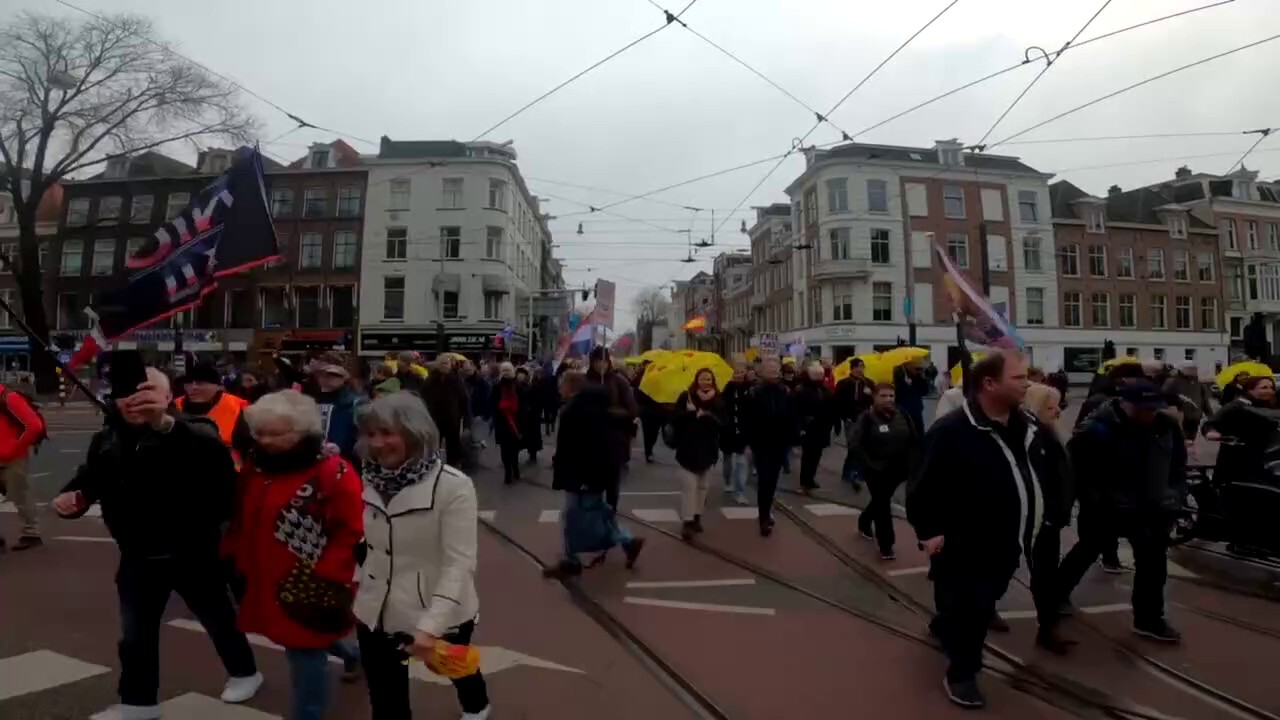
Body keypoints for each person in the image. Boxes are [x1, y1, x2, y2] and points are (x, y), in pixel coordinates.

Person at [53, 362, 261, 720]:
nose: (135, 400)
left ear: (168, 397)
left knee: (218, 619)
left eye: (147, 391)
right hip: (137, 555)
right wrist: (72, 499)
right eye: (127, 393)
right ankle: (138, 702)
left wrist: (162, 424)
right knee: (135, 633)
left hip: (194, 552)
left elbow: (215, 464)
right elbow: (88, 481)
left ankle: (245, 672)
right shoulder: (107, 439)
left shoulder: (194, 430)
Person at [907, 351, 1047, 709]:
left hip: (1013, 539)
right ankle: (962, 673)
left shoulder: (1028, 425)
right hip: (966, 541)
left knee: (979, 601)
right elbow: (922, 485)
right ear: (989, 383)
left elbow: (1050, 469)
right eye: (1018, 377)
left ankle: (945, 623)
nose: (1027, 383)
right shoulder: (952, 430)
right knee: (975, 607)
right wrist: (930, 530)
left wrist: (1053, 509)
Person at [349, 393, 492, 720]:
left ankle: (476, 707)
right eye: (371, 434)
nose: (378, 443)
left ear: (415, 433)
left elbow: (459, 563)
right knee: (386, 702)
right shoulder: (369, 476)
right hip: (375, 611)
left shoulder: (452, 486)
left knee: (458, 670)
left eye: (387, 433)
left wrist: (429, 627)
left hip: (437, 609)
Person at [223, 391, 363, 720]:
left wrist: (328, 572)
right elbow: (245, 515)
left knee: (304, 650)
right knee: (301, 640)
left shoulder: (334, 471)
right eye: (261, 433)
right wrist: (234, 551)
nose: (266, 441)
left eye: (277, 433)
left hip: (312, 580)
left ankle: (308, 714)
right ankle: (353, 654)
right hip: (265, 574)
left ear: (303, 432)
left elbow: (352, 530)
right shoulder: (256, 468)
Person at [1060, 379, 1187, 643]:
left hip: (1152, 507)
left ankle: (1149, 619)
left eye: (1154, 408)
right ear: (1125, 403)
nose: (1150, 414)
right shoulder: (1097, 428)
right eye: (1144, 408)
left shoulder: (1166, 427)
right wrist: (1097, 501)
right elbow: (1078, 472)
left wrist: (1173, 497)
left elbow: (1177, 466)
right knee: (1088, 549)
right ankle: (1056, 594)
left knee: (1153, 563)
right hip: (1108, 507)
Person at [546, 370, 645, 577]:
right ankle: (626, 542)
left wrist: (569, 471)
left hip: (582, 474)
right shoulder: (596, 408)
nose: (559, 389)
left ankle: (571, 560)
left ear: (569, 387)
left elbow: (576, 447)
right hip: (592, 473)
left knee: (573, 515)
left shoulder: (576, 410)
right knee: (597, 510)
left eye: (561, 385)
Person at [1022, 383, 1077, 654]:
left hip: (1051, 518)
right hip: (1036, 517)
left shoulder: (1052, 432)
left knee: (1046, 573)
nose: (1056, 412)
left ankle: (1048, 626)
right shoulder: (1031, 436)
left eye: (1058, 406)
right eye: (1050, 406)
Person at [849, 383, 916, 560]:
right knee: (882, 504)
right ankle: (886, 545)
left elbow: (913, 439)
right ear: (875, 397)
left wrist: (914, 462)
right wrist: (869, 463)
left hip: (899, 469)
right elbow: (855, 444)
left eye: (891, 396)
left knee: (882, 499)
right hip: (875, 470)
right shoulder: (867, 417)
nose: (888, 399)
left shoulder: (903, 414)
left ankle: (864, 520)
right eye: (884, 396)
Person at [745, 357, 798, 537]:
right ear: (761, 371)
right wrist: (747, 442)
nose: (773, 371)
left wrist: (793, 439)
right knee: (764, 479)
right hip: (760, 444)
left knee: (773, 480)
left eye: (776, 369)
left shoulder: (786, 392)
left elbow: (792, 417)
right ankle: (763, 518)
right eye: (769, 368)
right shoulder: (753, 393)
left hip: (780, 443)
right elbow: (747, 421)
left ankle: (767, 511)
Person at [672, 368, 724, 540]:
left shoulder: (717, 399)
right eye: (703, 379)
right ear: (696, 380)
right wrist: (691, 413)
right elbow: (674, 419)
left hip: (708, 450)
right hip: (687, 448)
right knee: (689, 487)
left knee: (702, 488)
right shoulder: (685, 396)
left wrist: (707, 415)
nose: (706, 382)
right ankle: (687, 522)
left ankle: (696, 517)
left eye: (709, 379)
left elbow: (723, 423)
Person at [585, 346, 638, 508]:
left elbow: (632, 409)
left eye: (604, 361)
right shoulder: (584, 381)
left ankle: (610, 515)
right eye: (597, 361)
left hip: (613, 440)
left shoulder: (617, 382)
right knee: (592, 485)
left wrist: (611, 413)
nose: (601, 365)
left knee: (612, 485)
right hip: (589, 442)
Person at [0, 382, 47, 551]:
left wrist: (15, 447)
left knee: (20, 495)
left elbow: (34, 425)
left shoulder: (9, 397)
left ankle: (31, 533)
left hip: (12, 458)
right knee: (20, 494)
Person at [304, 352, 362, 465]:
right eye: (322, 373)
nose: (327, 378)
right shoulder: (310, 401)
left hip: (346, 465)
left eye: (334, 374)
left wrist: (343, 448)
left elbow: (364, 440)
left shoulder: (356, 403)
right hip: (316, 464)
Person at [176, 362, 249, 449]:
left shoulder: (238, 406)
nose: (193, 387)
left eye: (200, 383)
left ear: (217, 386)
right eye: (189, 383)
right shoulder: (174, 406)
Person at [423, 356, 471, 468]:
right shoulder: (430, 380)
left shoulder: (456, 380)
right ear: (437, 365)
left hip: (452, 419)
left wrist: (467, 420)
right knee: (434, 446)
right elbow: (423, 398)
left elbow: (464, 399)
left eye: (446, 363)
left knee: (453, 447)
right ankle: (433, 466)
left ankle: (452, 467)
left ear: (450, 365)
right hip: (435, 418)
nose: (444, 366)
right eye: (442, 363)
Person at [834, 358, 874, 488]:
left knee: (863, 445)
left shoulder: (868, 383)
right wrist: (841, 418)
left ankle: (856, 472)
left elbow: (875, 399)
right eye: (858, 366)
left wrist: (870, 394)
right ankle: (849, 471)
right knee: (853, 446)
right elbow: (838, 401)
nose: (860, 369)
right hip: (850, 418)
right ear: (852, 368)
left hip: (865, 417)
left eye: (862, 366)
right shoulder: (844, 383)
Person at [794, 363, 834, 493]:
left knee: (816, 455)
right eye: (816, 374)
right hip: (808, 429)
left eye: (821, 374)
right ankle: (804, 482)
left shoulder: (825, 390)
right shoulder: (802, 390)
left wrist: (833, 423)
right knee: (807, 456)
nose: (819, 377)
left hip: (822, 429)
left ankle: (810, 479)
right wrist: (800, 426)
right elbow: (796, 410)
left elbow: (831, 406)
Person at [719, 362, 752, 505]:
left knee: (741, 461)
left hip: (744, 430)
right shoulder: (726, 389)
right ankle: (727, 481)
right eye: (736, 372)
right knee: (727, 459)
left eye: (741, 372)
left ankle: (740, 492)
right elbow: (720, 407)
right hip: (728, 429)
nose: (739, 375)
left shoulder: (750, 389)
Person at [490, 362, 523, 484]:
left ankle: (508, 471)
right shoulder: (518, 386)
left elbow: (492, 404)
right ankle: (514, 468)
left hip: (502, 423)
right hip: (515, 424)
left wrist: (495, 418)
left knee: (504, 449)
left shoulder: (497, 386)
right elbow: (524, 404)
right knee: (514, 448)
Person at [633, 361, 663, 463]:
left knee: (655, 431)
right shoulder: (640, 376)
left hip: (657, 407)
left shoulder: (660, 377)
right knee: (647, 431)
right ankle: (648, 452)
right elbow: (635, 390)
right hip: (645, 408)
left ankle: (650, 447)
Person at [894, 360, 931, 437]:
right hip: (902, 410)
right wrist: (906, 384)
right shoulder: (897, 376)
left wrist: (923, 378)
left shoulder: (917, 377)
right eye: (915, 367)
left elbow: (924, 392)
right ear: (906, 365)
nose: (917, 369)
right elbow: (897, 392)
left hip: (916, 410)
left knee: (919, 432)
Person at [516, 367, 543, 464]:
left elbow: (538, 399)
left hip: (533, 416)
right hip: (522, 415)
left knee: (532, 436)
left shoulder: (534, 385)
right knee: (521, 436)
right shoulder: (517, 386)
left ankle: (533, 454)